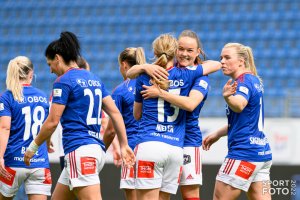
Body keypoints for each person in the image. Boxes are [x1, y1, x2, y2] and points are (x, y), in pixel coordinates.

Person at [23, 31, 135, 200]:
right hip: (95, 150)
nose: (51, 70)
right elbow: (115, 112)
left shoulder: (63, 81)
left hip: (80, 151)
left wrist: (33, 147)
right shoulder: (94, 79)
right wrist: (124, 144)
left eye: (50, 63)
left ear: (58, 58)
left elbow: (53, 121)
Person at [127, 30, 218, 200]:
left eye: (189, 50)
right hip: (175, 143)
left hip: (186, 139)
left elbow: (191, 104)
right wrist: (145, 66)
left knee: (189, 193)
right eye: (181, 49)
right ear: (174, 50)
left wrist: (159, 91)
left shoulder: (199, 76)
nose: (184, 54)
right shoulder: (186, 74)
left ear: (198, 52)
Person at [202, 43, 272, 200]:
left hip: (243, 155)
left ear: (241, 61)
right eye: (221, 58)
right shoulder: (254, 80)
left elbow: (239, 105)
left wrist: (227, 97)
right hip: (262, 155)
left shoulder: (243, 81)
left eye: (227, 57)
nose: (222, 62)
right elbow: (245, 120)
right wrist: (218, 134)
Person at [0, 56, 51, 200]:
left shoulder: (7, 97)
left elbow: (4, 128)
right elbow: (47, 125)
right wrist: (48, 142)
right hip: (39, 162)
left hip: (13, 161)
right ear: (31, 73)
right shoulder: (42, 96)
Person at [103, 47, 146, 200]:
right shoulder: (152, 83)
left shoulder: (120, 91)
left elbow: (110, 131)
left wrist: (101, 153)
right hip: (153, 147)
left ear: (124, 65)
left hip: (132, 150)